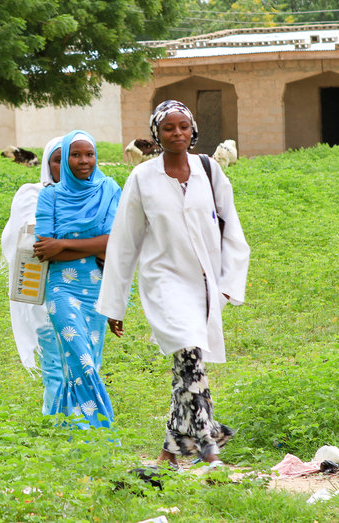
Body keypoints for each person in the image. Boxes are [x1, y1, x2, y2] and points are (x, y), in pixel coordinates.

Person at [97, 100, 250, 469]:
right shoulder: (143, 178)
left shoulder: (210, 171)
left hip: (204, 283)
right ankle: (209, 444)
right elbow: (123, 242)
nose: (177, 133)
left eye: (183, 126)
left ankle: (169, 450)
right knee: (191, 357)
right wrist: (114, 305)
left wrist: (229, 284)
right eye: (168, 128)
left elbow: (232, 230)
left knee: (186, 365)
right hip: (163, 282)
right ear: (156, 134)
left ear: (192, 130)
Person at [34, 130, 121, 428]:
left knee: (87, 362)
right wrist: (93, 244)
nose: (83, 161)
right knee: (81, 360)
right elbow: (44, 249)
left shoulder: (109, 189)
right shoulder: (50, 196)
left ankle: (65, 424)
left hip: (97, 288)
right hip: (61, 290)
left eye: (89, 154)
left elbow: (115, 243)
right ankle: (98, 427)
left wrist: (64, 245)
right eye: (75, 155)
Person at [0, 136, 65, 413]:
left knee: (84, 362)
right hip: (44, 288)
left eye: (81, 156)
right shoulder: (33, 194)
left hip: (86, 289)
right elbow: (35, 238)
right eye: (59, 159)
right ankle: (56, 423)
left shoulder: (98, 194)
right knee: (54, 361)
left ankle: (82, 424)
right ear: (47, 163)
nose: (73, 165)